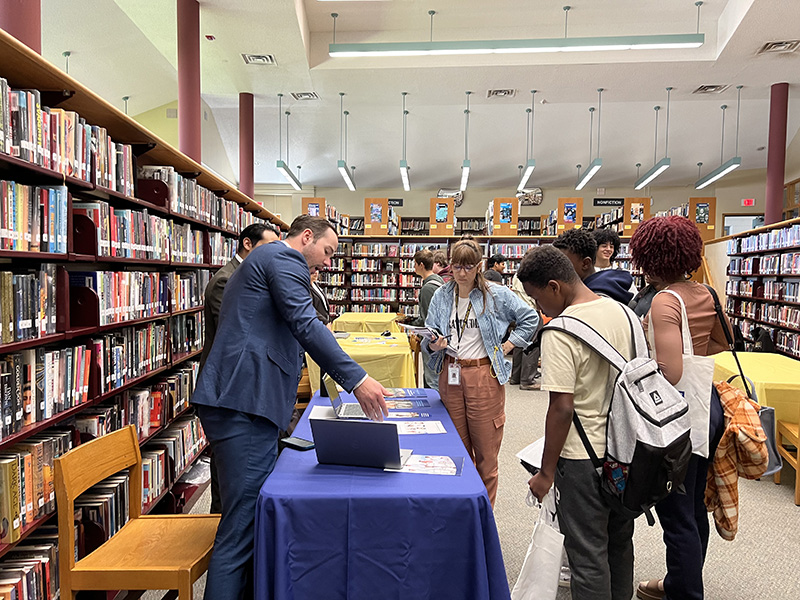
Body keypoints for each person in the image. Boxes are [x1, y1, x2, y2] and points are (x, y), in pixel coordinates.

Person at [191, 215, 389, 600]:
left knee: (245, 522)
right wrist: (359, 380)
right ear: (307, 237)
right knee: (240, 530)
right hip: (243, 401)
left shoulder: (264, 263)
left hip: (245, 399)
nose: (329, 263)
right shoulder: (283, 259)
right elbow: (305, 323)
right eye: (328, 252)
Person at [518, 245, 637, 600]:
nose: (539, 310)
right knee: (619, 543)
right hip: (627, 452)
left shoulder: (561, 331)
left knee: (587, 556)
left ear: (554, 286)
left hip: (583, 458)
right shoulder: (623, 313)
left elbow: (561, 408)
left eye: (537, 300)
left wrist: (546, 473)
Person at [630, 216, 728, 600]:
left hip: (675, 417)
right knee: (693, 504)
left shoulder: (665, 301)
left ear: (652, 258)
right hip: (707, 409)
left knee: (675, 511)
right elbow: (725, 341)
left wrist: (644, 343)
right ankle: (681, 583)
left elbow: (669, 372)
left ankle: (685, 593)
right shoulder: (708, 293)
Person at [423, 240, 538, 505]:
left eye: (468, 267)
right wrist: (433, 342)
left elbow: (530, 318)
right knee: (457, 450)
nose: (461, 273)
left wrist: (508, 345)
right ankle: (462, 512)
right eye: (456, 266)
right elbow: (430, 330)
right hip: (450, 372)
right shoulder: (442, 295)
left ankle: (484, 517)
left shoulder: (495, 294)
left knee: (486, 452)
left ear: (479, 267)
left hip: (483, 374)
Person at [198, 222, 279, 515]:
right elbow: (237, 331)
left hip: (243, 385)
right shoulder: (227, 280)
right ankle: (220, 525)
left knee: (235, 467)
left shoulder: (251, 276)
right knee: (228, 468)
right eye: (266, 247)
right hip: (227, 387)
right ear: (247, 244)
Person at [199, 223, 279, 371]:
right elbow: (233, 332)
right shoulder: (226, 280)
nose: (274, 254)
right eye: (269, 247)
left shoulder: (254, 275)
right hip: (225, 372)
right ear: (247, 244)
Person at [553, 229, 636, 304]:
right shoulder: (585, 274)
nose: (608, 249)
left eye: (611, 247)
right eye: (604, 246)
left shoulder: (622, 275)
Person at [407, 249, 445, 389]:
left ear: (421, 265)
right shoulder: (438, 280)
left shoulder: (428, 288)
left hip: (433, 340)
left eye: (415, 264)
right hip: (441, 337)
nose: (414, 267)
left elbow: (427, 320)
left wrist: (410, 325)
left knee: (432, 379)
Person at [509, 272, 542, 390]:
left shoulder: (518, 274)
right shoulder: (534, 274)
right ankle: (527, 380)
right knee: (533, 344)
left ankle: (516, 377)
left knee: (519, 342)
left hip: (519, 311)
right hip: (531, 311)